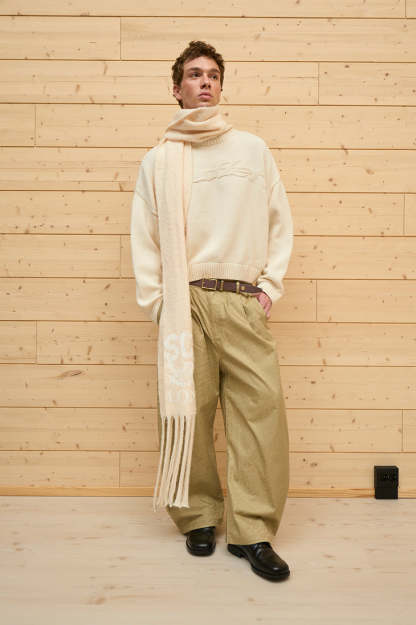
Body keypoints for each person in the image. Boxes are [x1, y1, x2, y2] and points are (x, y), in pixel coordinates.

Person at [130, 40, 293, 582]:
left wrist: (268, 287)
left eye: (214, 75)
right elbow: (145, 237)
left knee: (260, 412)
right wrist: (159, 304)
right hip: (186, 300)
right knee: (189, 411)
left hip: (243, 298)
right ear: (176, 88)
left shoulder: (251, 150)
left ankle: (253, 531)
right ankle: (198, 516)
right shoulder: (159, 160)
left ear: (221, 86)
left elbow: (278, 220)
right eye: (194, 74)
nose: (205, 82)